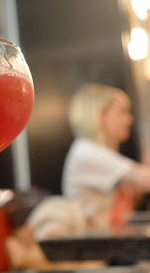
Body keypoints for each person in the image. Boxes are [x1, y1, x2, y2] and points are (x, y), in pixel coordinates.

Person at [61, 83, 150, 228]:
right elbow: (146, 181)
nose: (129, 120)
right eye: (122, 112)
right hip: (91, 239)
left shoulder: (94, 150)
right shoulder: (88, 152)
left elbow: (137, 190)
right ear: (101, 116)